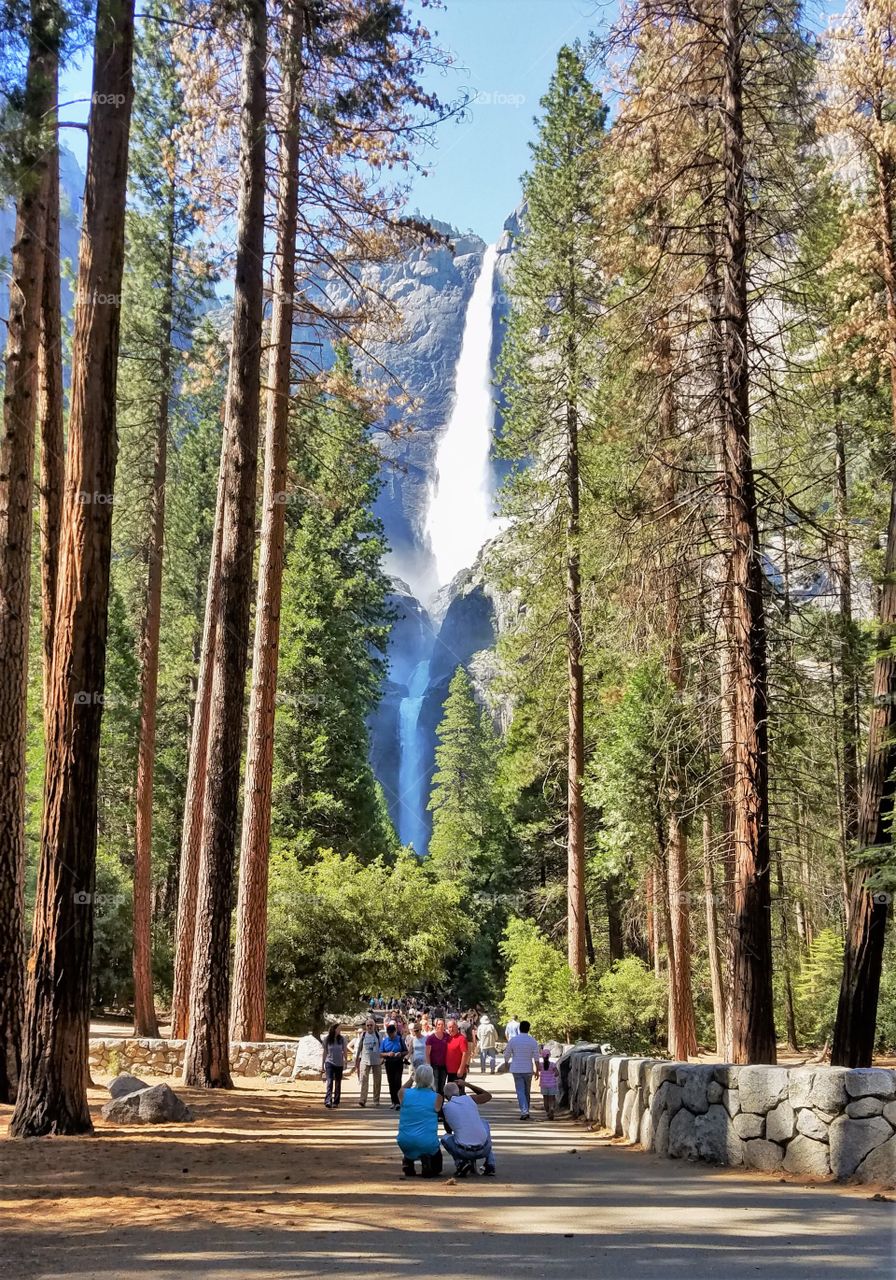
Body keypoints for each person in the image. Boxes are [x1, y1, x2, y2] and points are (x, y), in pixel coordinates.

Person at [440, 1080, 496, 1178]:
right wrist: (467, 1084)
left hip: (464, 1151)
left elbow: (449, 1130)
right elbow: (487, 1096)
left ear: (445, 1097)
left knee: (445, 1138)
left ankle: (460, 1163)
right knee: (484, 1123)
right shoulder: (470, 1099)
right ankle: (490, 1163)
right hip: (484, 1148)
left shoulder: (446, 1108)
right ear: (460, 1092)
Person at [397, 1063, 444, 1177]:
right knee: (437, 1168)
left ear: (416, 1077)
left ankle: (408, 1160)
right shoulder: (437, 1097)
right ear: (431, 1079)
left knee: (411, 1147)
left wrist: (411, 1079)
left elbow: (401, 1089)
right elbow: (438, 1109)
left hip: (404, 1141)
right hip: (428, 1143)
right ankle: (427, 1161)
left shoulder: (404, 1093)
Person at [504, 1019, 541, 1120]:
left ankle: (524, 1111)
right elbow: (536, 1057)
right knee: (526, 1091)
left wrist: (506, 1063)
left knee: (520, 1091)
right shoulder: (533, 1041)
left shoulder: (513, 1040)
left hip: (516, 1069)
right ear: (529, 1029)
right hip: (528, 1069)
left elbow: (507, 1053)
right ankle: (526, 1110)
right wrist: (537, 1069)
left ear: (519, 1029)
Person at [355, 1016, 383, 1107]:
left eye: (371, 1025)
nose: (369, 1027)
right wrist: (356, 1060)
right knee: (364, 1080)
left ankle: (376, 1100)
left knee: (377, 1081)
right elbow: (359, 1048)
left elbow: (382, 1048)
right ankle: (362, 1100)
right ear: (366, 1026)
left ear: (374, 1026)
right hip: (365, 1060)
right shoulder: (363, 1035)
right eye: (368, 1025)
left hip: (376, 1061)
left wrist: (383, 1058)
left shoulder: (379, 1035)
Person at [380, 1020, 406, 1109]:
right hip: (389, 1063)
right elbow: (380, 1053)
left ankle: (398, 1102)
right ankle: (393, 1101)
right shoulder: (385, 1041)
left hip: (398, 1062)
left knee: (397, 1081)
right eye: (389, 1034)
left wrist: (400, 1054)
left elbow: (406, 1051)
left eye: (392, 1034)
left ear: (395, 1032)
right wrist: (387, 1054)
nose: (391, 1036)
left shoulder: (400, 1039)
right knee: (391, 1082)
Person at [320, 1022, 347, 1108]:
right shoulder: (327, 1039)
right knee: (330, 1081)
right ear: (334, 1029)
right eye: (339, 1028)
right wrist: (322, 1064)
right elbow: (325, 1052)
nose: (340, 1030)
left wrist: (345, 1061)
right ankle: (328, 1100)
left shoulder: (342, 1039)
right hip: (329, 1062)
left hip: (339, 1063)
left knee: (338, 1083)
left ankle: (336, 1101)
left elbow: (345, 1051)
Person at [425, 1017, 450, 1095]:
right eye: (439, 1024)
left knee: (442, 1086)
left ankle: (441, 1105)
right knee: (435, 1087)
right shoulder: (431, 1038)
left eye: (442, 1024)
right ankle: (435, 1105)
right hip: (434, 1066)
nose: (441, 1026)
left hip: (444, 1065)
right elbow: (427, 1054)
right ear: (435, 1026)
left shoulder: (447, 1036)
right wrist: (429, 1066)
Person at [445, 1017, 470, 1088]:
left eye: (453, 1027)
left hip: (458, 1071)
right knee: (450, 1093)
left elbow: (465, 1054)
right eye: (449, 1027)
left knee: (459, 1093)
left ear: (457, 1027)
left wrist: (461, 1069)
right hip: (449, 1071)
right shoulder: (447, 1038)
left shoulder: (461, 1038)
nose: (451, 1029)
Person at [539, 1047, 559, 1119]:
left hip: (543, 1084)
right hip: (552, 1084)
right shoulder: (553, 1064)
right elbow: (557, 1073)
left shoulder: (541, 1065)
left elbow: (537, 1070)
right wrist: (554, 1074)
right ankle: (552, 1108)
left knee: (545, 1099)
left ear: (542, 1056)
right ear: (549, 1055)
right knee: (552, 1099)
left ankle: (548, 1112)